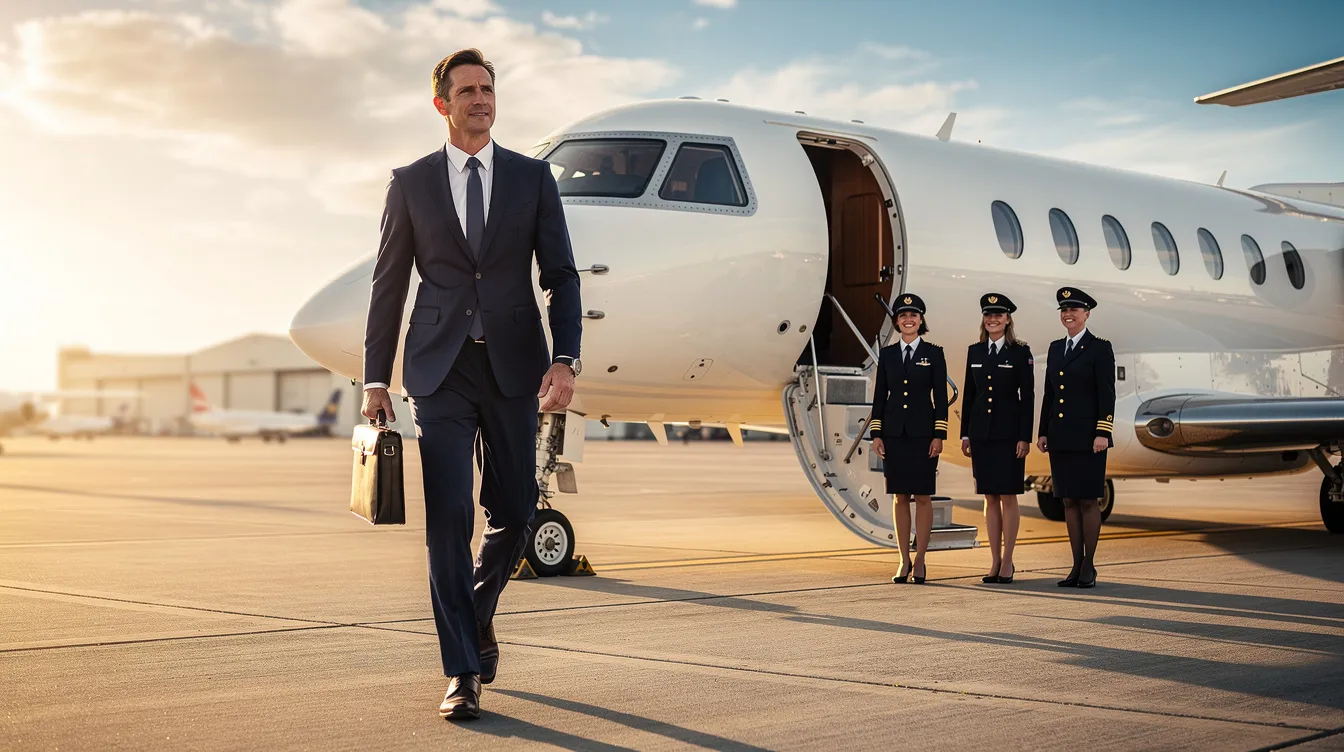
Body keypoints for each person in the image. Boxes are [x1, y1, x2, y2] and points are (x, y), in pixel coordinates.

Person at [361, 48, 582, 720]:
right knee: (449, 514)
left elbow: (561, 276)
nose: (481, 99)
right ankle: (461, 669)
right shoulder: (411, 182)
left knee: (513, 511)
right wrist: (375, 379)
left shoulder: (532, 178)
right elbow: (389, 284)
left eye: (488, 89)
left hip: (514, 365)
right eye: (467, 91)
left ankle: (478, 612)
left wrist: (566, 358)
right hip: (439, 368)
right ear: (442, 104)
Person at [1036, 287, 1114, 590]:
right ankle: (1075, 564)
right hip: (1061, 436)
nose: (1068, 314)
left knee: (1088, 501)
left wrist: (1103, 432)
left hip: (1088, 437)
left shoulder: (1099, 348)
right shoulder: (1056, 348)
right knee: (1068, 500)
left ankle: (1089, 565)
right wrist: (1043, 430)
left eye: (1075, 309)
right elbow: (1050, 394)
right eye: (1064, 310)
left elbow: (1107, 394)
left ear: (1087, 314)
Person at [869, 294, 948, 585]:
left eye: (914, 315)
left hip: (923, 435)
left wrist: (939, 435)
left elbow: (940, 398)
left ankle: (922, 559)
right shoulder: (888, 355)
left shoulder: (934, 354)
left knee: (924, 497)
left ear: (921, 320)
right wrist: (877, 433)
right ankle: (903, 559)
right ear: (897, 321)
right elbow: (880, 397)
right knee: (900, 496)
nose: (908, 320)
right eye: (903, 316)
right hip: (894, 435)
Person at [959, 293, 1034, 584]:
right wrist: (965, 433)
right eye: (988, 315)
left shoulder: (1019, 352)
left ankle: (1009, 561)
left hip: (1008, 434)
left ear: (1008, 319)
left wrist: (1024, 437)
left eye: (998, 315)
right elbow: (969, 395)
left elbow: (1027, 397)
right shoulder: (975, 352)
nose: (993, 319)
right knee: (989, 497)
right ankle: (994, 561)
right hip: (981, 434)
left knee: (1008, 495)